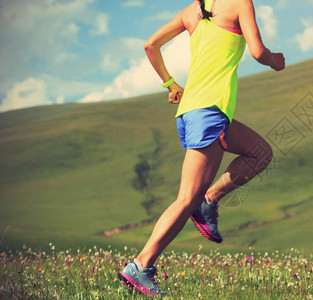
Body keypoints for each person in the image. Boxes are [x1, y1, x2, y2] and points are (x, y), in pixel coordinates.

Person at [118, 0, 285, 295]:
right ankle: (141, 265)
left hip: (191, 110)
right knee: (185, 199)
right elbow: (258, 52)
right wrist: (275, 60)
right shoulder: (240, 3)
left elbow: (150, 46)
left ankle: (210, 199)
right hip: (209, 112)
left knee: (260, 152)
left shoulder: (192, 11)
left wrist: (171, 84)